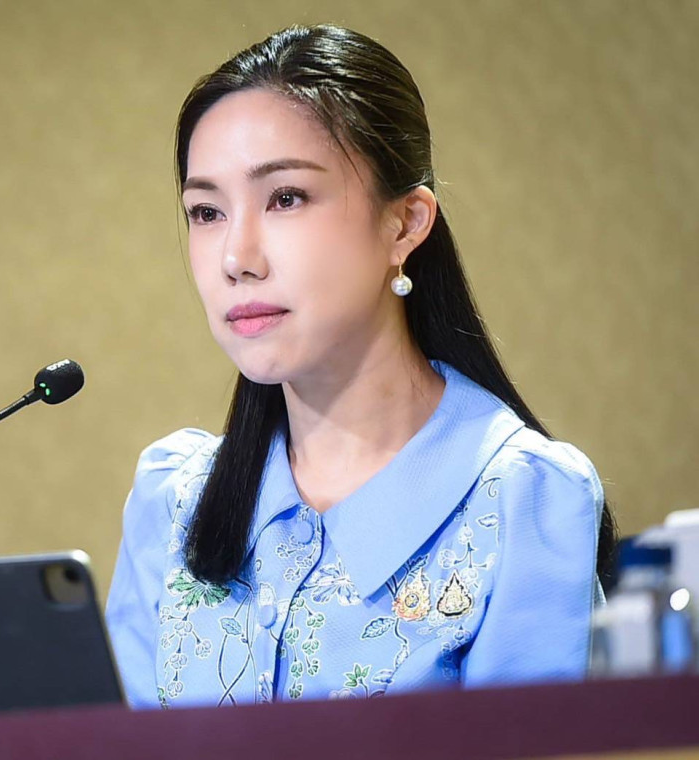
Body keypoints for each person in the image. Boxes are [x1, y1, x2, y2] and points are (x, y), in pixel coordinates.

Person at [105, 24, 616, 709]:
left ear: (405, 223)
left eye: (286, 197)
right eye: (206, 211)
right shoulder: (172, 501)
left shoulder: (523, 500)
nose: (235, 258)